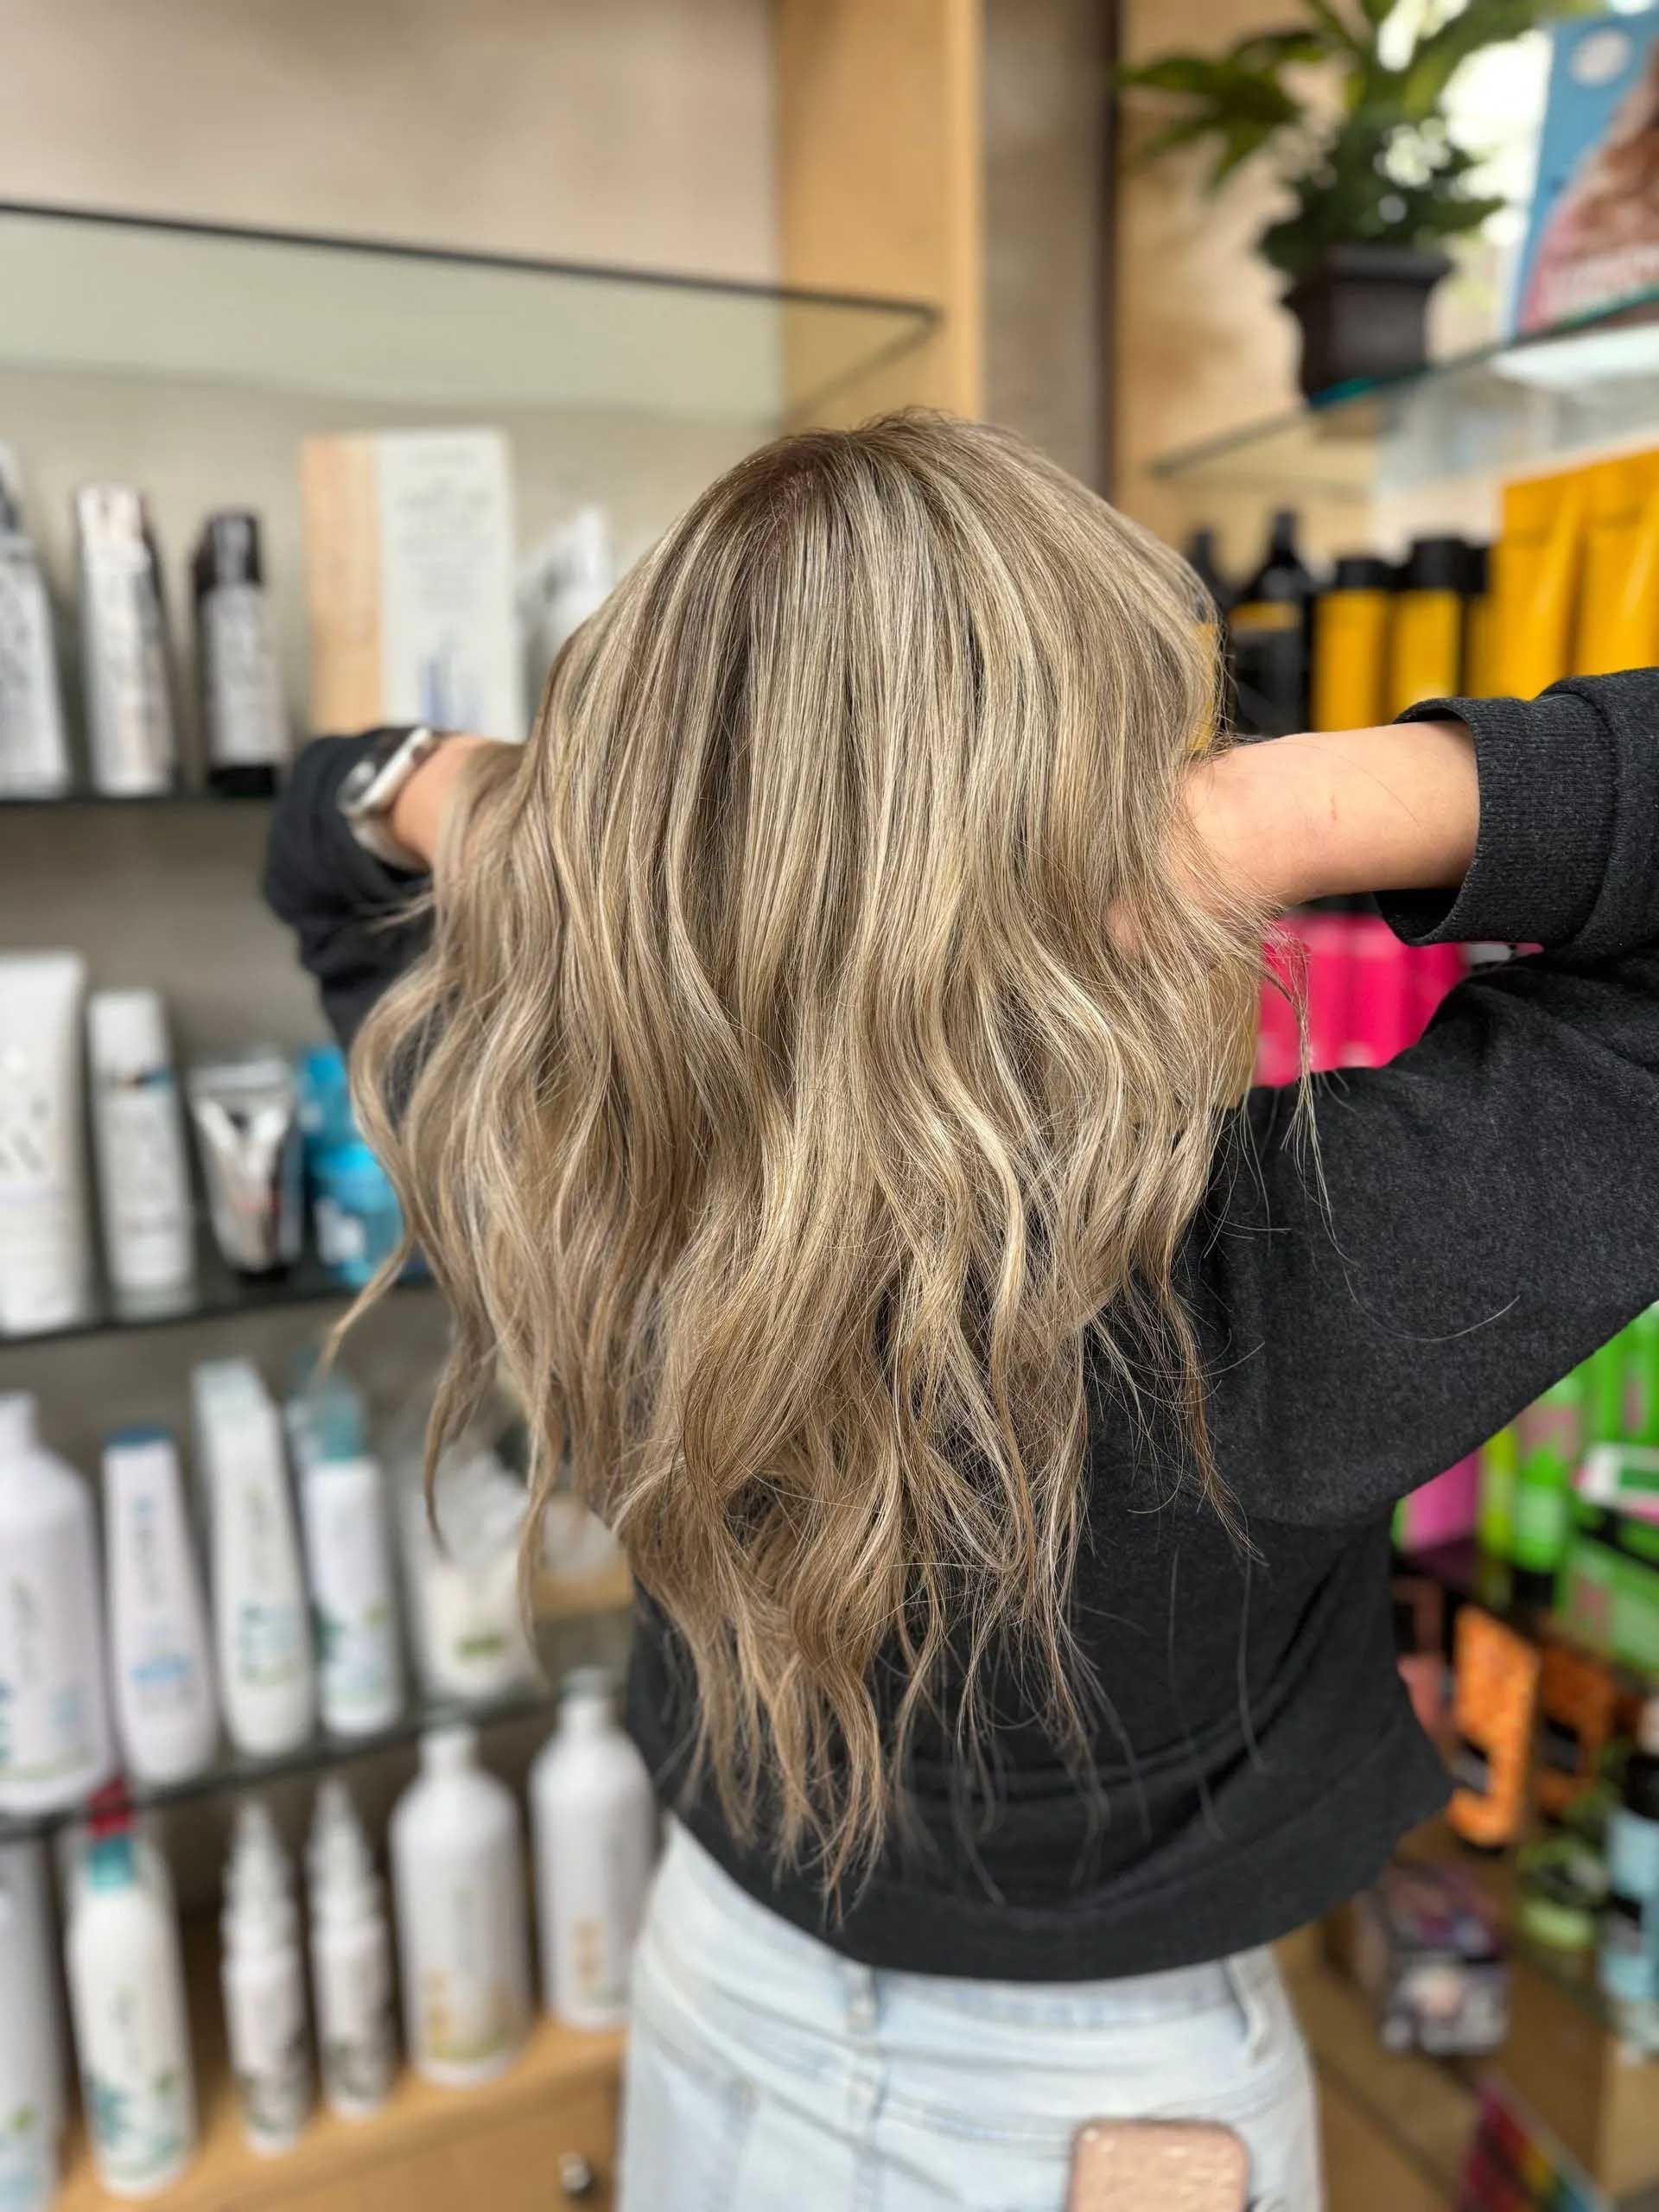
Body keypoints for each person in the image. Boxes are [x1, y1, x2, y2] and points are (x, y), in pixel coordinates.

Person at [265, 415, 1659, 2212]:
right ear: (1122, 811)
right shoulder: (1284, 1268)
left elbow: (321, 828)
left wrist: (519, 807)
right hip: (1102, 2117)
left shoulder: (543, 1166)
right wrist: (1272, 814)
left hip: (714, 1979)